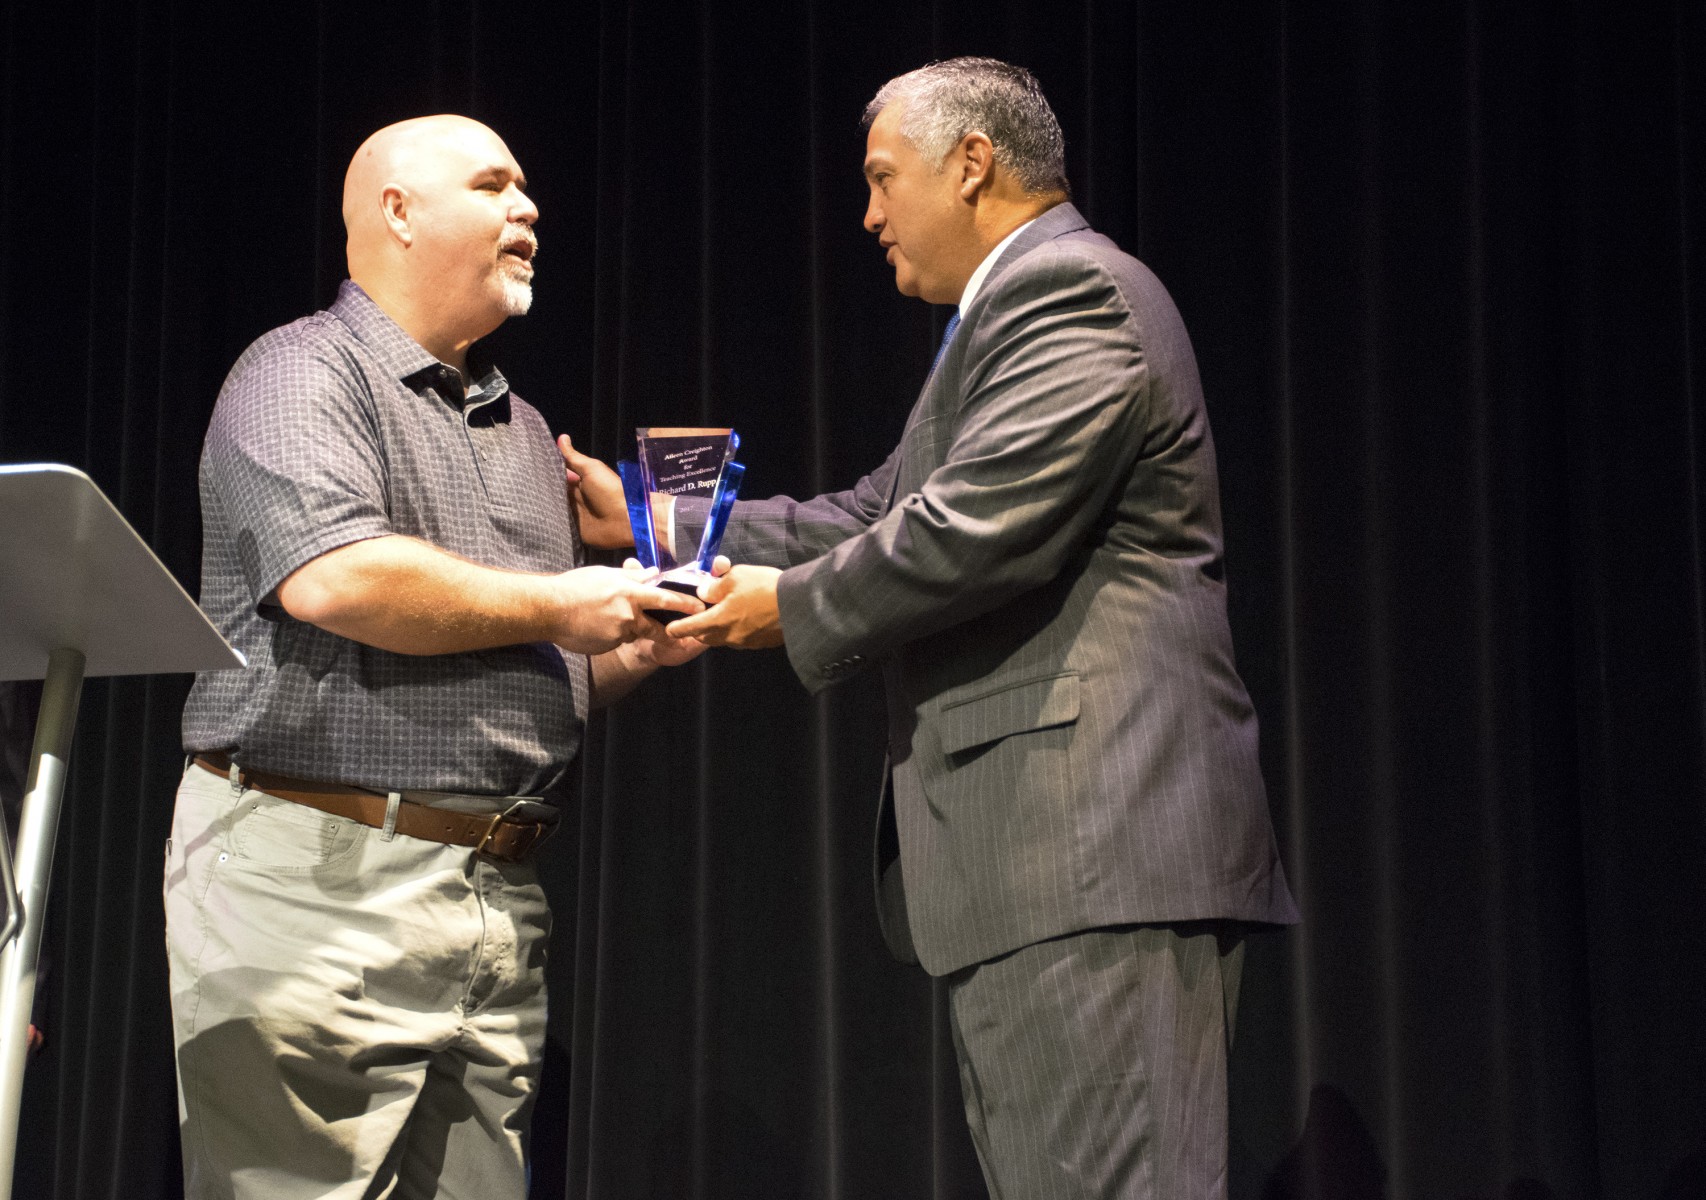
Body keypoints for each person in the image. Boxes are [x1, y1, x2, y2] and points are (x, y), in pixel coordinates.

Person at [571, 58, 1299, 1197]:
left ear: (971, 165)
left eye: (880, 179)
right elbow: (878, 512)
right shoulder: (997, 315)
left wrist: (786, 612)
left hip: (1092, 847)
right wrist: (653, 516)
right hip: (1044, 866)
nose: (866, 215)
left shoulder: (1071, 291)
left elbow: (979, 527)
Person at [165, 114, 705, 1200]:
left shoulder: (524, 428)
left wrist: (636, 643)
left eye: (526, 190)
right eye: (493, 185)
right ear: (398, 213)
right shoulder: (297, 371)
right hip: (317, 877)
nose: (530, 209)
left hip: (494, 894)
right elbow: (335, 579)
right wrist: (563, 601)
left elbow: (541, 670)